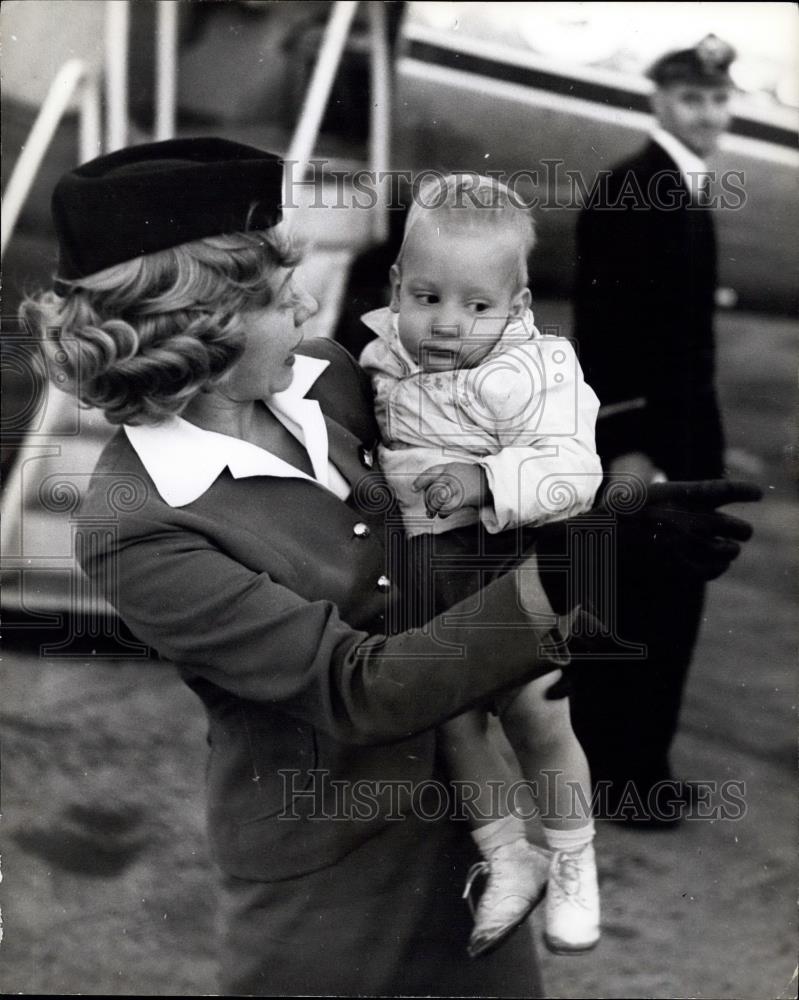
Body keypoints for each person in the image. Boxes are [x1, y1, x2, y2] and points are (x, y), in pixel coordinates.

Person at [22, 138, 758, 997]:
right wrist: (573, 569)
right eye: (270, 292)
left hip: (475, 825)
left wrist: (601, 515)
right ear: (200, 327)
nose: (304, 303)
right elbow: (354, 688)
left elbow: (463, 489)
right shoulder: (137, 523)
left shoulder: (328, 377)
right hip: (329, 874)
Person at [359, 174, 603, 957]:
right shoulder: (376, 356)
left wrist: (486, 479)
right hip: (428, 572)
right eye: (426, 297)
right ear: (396, 285)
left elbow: (574, 465)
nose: (447, 325)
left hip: (511, 558)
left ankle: (571, 856)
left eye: (478, 307)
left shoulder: (540, 369)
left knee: (536, 713)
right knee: (451, 716)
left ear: (518, 306)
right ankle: (509, 855)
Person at [571, 35, 737, 821]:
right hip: (648, 437)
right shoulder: (632, 190)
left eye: (716, 98)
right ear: (659, 102)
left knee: (666, 600)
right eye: (692, 99)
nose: (709, 112)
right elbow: (605, 330)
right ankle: (620, 778)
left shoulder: (678, 185)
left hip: (681, 430)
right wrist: (627, 438)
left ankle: (644, 766)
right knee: (642, 598)